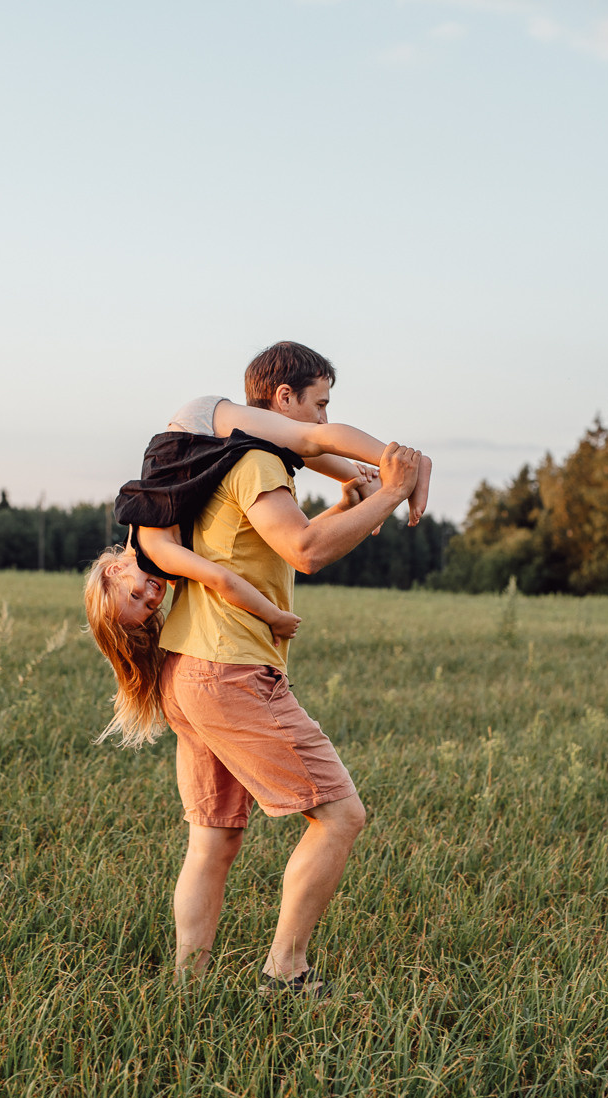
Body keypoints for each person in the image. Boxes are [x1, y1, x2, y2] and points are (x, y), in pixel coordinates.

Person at [156, 341, 424, 996]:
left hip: (186, 670)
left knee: (212, 839)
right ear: (284, 399)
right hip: (231, 673)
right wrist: (390, 492)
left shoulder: (222, 459)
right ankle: (286, 973)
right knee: (339, 816)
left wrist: (348, 507)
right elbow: (304, 552)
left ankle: (185, 992)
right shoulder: (254, 460)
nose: (322, 416)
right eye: (321, 404)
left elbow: (279, 541)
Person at [85, 387, 428, 748]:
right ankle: (364, 481)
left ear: (113, 571)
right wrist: (346, 507)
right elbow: (282, 543)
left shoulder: (157, 549)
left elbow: (223, 579)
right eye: (151, 607)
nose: (152, 594)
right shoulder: (146, 544)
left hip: (199, 423)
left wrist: (273, 616)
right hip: (202, 440)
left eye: (135, 594)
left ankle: (410, 464)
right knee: (296, 446)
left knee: (308, 438)